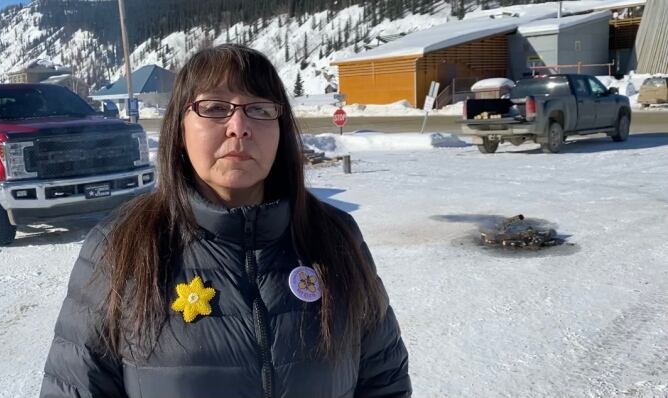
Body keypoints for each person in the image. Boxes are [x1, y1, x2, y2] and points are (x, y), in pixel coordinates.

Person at [40, 44, 411, 398]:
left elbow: (384, 379)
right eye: (215, 107)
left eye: (260, 109)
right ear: (179, 129)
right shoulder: (122, 245)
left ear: (280, 129)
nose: (239, 126)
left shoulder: (336, 237)